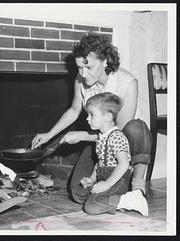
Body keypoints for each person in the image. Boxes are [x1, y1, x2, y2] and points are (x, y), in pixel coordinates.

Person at [31, 32, 152, 199]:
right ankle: (118, 185)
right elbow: (74, 110)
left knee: (137, 128)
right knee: (78, 192)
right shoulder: (81, 80)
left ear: (105, 61)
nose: (83, 74)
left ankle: (137, 187)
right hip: (98, 143)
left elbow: (120, 133)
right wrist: (50, 134)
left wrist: (81, 135)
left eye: (89, 67)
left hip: (124, 142)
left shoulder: (127, 83)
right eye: (80, 67)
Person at [76, 92, 148, 215]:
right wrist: (92, 179)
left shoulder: (116, 136)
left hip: (118, 180)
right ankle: (121, 201)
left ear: (108, 117)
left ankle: (131, 200)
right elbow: (100, 163)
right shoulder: (101, 137)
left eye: (91, 115)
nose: (87, 118)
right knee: (83, 196)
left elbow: (124, 164)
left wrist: (107, 184)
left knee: (90, 207)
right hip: (106, 178)